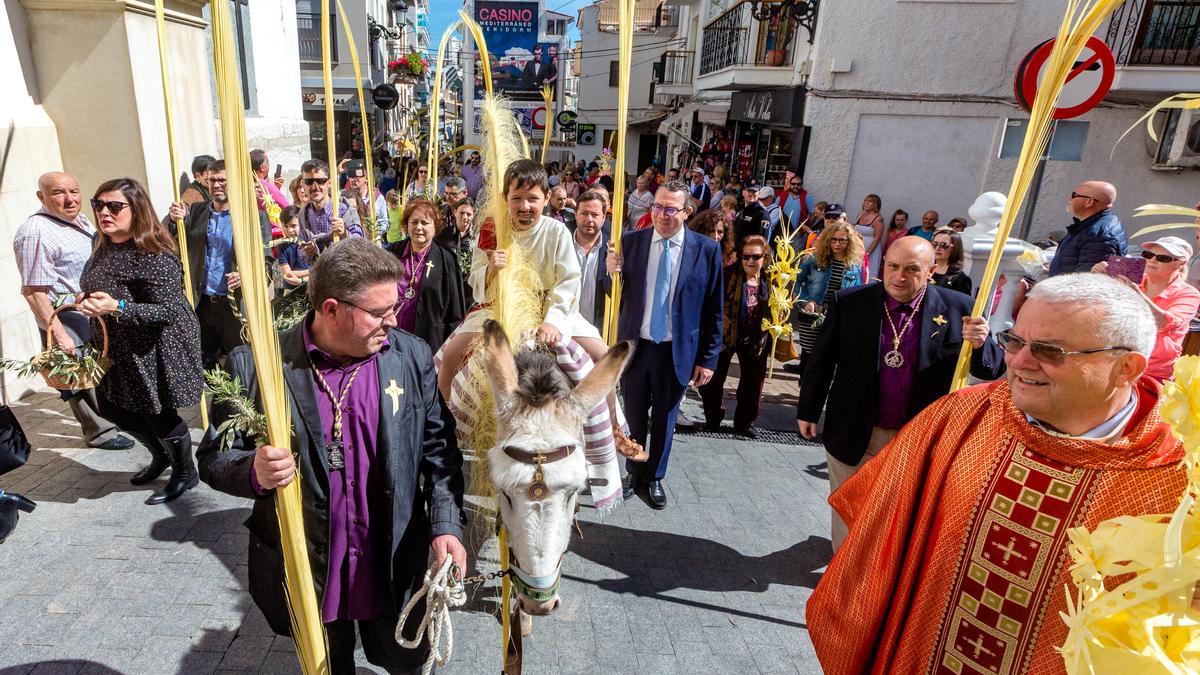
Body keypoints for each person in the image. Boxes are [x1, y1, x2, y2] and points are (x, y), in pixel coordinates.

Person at [806, 273, 1187, 675]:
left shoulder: (1178, 474)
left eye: (1049, 351)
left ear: (1127, 367)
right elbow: (876, 524)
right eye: (1015, 341)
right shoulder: (959, 417)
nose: (1021, 362)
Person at [196, 238, 466, 673]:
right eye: (379, 312)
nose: (392, 321)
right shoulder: (260, 366)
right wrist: (254, 472)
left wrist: (446, 524)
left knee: (407, 661)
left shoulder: (410, 356)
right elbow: (211, 460)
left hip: (392, 563)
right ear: (331, 309)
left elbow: (439, 448)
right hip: (312, 572)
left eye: (393, 307)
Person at [797, 236, 1004, 549]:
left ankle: (881, 576)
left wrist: (980, 342)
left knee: (899, 518)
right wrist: (808, 410)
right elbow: (821, 362)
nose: (899, 276)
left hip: (918, 438)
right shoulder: (850, 301)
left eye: (911, 269)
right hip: (854, 428)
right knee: (848, 509)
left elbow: (991, 370)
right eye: (892, 266)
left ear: (931, 270)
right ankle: (844, 578)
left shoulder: (959, 308)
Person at [436, 160, 643, 459]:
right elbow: (475, 279)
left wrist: (553, 321)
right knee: (452, 353)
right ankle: (442, 421)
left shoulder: (557, 231)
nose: (524, 206)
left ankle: (614, 428)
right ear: (505, 197)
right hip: (499, 309)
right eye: (516, 198)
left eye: (532, 198)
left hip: (550, 310)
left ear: (546, 198)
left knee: (602, 355)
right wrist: (492, 268)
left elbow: (569, 281)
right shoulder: (493, 228)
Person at [79, 178, 204, 504]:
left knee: (158, 412)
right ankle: (160, 455)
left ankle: (184, 471)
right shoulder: (100, 241)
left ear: (136, 210)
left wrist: (116, 306)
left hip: (153, 347)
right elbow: (96, 284)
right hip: (115, 345)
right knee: (112, 407)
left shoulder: (153, 253)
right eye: (98, 204)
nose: (104, 212)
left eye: (114, 206)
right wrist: (86, 300)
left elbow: (168, 311)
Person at [606, 179, 724, 509]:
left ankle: (654, 476)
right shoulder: (632, 243)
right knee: (633, 414)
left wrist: (709, 359)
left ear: (687, 212)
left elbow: (715, 308)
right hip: (636, 346)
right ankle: (633, 471)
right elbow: (610, 291)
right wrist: (609, 271)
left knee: (665, 418)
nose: (662, 215)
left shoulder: (706, 250)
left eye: (671, 209)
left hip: (676, 349)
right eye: (658, 206)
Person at [13, 172, 132, 451]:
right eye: (58, 193)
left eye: (74, 191)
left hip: (90, 311)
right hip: (63, 313)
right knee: (75, 376)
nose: (69, 199)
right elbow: (33, 291)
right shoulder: (35, 232)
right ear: (41, 197)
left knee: (96, 368)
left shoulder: (82, 219)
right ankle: (99, 432)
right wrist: (59, 334)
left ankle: (113, 418)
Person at [166, 160, 270, 369]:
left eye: (222, 180)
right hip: (201, 301)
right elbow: (176, 240)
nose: (216, 185)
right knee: (204, 362)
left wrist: (247, 275)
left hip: (234, 304)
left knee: (241, 361)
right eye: (212, 180)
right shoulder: (195, 212)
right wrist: (174, 220)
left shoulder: (253, 218)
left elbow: (266, 259)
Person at [1092, 235, 1200, 382]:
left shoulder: (1188, 294)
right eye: (1148, 255)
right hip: (1115, 360)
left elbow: (1163, 322)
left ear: (1180, 264)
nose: (1153, 260)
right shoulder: (1131, 279)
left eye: (1163, 258)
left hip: (1153, 371)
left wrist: (1136, 293)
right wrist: (1096, 279)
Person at [698, 235, 772, 437]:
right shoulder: (727, 276)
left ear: (764, 257)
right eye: (746, 256)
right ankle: (713, 419)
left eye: (756, 257)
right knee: (712, 382)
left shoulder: (772, 280)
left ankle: (743, 424)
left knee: (752, 385)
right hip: (725, 337)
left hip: (756, 339)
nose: (750, 261)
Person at [387, 199, 465, 352]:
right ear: (406, 225)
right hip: (392, 338)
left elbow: (455, 312)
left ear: (435, 227)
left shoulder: (446, 259)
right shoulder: (392, 253)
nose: (419, 227)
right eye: (414, 222)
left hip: (429, 343)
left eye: (425, 222)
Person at [791, 222, 866, 376]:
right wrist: (806, 301)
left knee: (826, 359)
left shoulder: (854, 266)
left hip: (837, 317)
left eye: (842, 240)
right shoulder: (814, 258)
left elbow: (856, 293)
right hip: (813, 314)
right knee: (809, 356)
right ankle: (805, 392)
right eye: (833, 239)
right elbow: (796, 281)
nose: (837, 244)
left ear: (850, 241)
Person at [1049, 180, 1127, 275]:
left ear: (1089, 202)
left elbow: (1086, 281)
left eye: (1074, 195)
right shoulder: (1093, 225)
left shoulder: (1098, 235)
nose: (1069, 199)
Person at [297, 159, 363, 252]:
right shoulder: (304, 215)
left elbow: (360, 246)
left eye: (320, 181)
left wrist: (344, 234)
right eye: (309, 182)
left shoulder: (344, 210)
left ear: (328, 183)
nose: (315, 187)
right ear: (303, 185)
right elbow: (300, 251)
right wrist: (307, 252)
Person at [573, 191, 610, 328]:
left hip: (598, 331)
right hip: (563, 332)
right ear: (575, 214)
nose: (589, 219)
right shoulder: (561, 241)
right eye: (584, 213)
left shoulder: (615, 247)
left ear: (604, 217)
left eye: (595, 215)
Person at [344, 160, 389, 241]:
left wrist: (375, 235)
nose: (353, 180)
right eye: (350, 176)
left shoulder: (377, 197)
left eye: (357, 176)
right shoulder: (345, 196)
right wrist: (337, 172)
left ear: (366, 178)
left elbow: (383, 221)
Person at [435, 197, 476, 281]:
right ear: (455, 212)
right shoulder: (443, 234)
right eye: (462, 213)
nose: (465, 217)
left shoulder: (477, 237)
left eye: (469, 214)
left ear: (473, 215)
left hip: (469, 285)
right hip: (447, 280)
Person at [275, 206, 310, 290]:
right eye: (285, 226)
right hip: (291, 288)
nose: (289, 230)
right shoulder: (282, 246)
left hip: (311, 284)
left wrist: (302, 279)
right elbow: (287, 274)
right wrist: (311, 271)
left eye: (293, 226)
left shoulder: (309, 241)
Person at [852, 194, 885, 280]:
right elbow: (852, 228)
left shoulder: (878, 219)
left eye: (869, 202)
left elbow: (877, 238)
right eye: (865, 201)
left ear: (875, 205)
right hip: (857, 248)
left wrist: (867, 253)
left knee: (867, 274)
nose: (866, 203)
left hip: (871, 251)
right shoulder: (860, 215)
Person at [931, 227, 972, 295]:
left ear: (955, 248)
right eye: (934, 244)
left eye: (943, 245)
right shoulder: (924, 268)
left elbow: (961, 304)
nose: (938, 248)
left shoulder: (960, 279)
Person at [250, 148, 290, 213]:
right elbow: (287, 209)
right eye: (267, 162)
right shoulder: (265, 186)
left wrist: (276, 188)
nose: (269, 165)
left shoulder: (250, 185)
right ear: (262, 167)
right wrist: (273, 189)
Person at [732, 182, 768, 246]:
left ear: (759, 194)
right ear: (743, 192)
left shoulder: (762, 214)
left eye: (754, 191)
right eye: (749, 191)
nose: (751, 194)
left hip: (749, 252)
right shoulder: (739, 208)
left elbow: (761, 241)